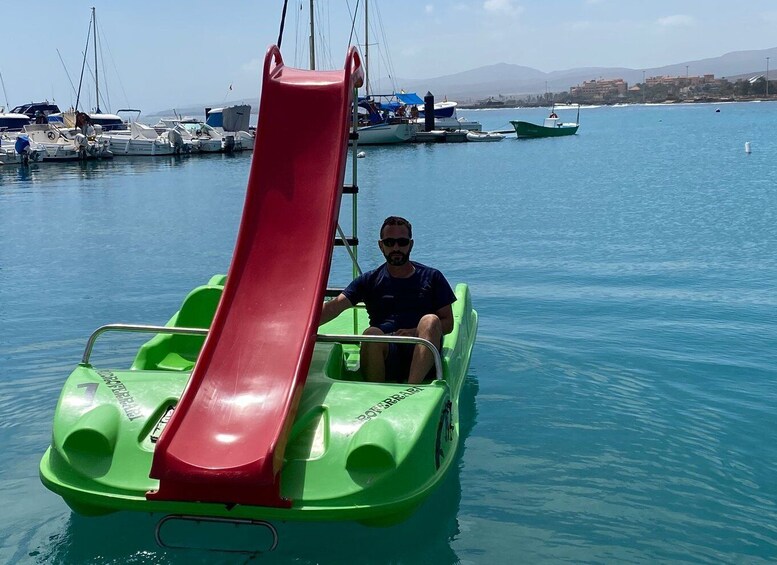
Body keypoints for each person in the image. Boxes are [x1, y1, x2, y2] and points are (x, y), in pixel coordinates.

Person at [320, 216, 456, 384]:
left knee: (430, 320)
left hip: (422, 351)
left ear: (410, 244)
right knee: (371, 334)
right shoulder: (369, 280)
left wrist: (414, 332)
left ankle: (412, 388)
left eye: (402, 242)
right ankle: (376, 392)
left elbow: (448, 323)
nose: (396, 248)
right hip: (385, 353)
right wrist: (297, 329)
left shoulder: (432, 277)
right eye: (390, 242)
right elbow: (334, 307)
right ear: (381, 245)